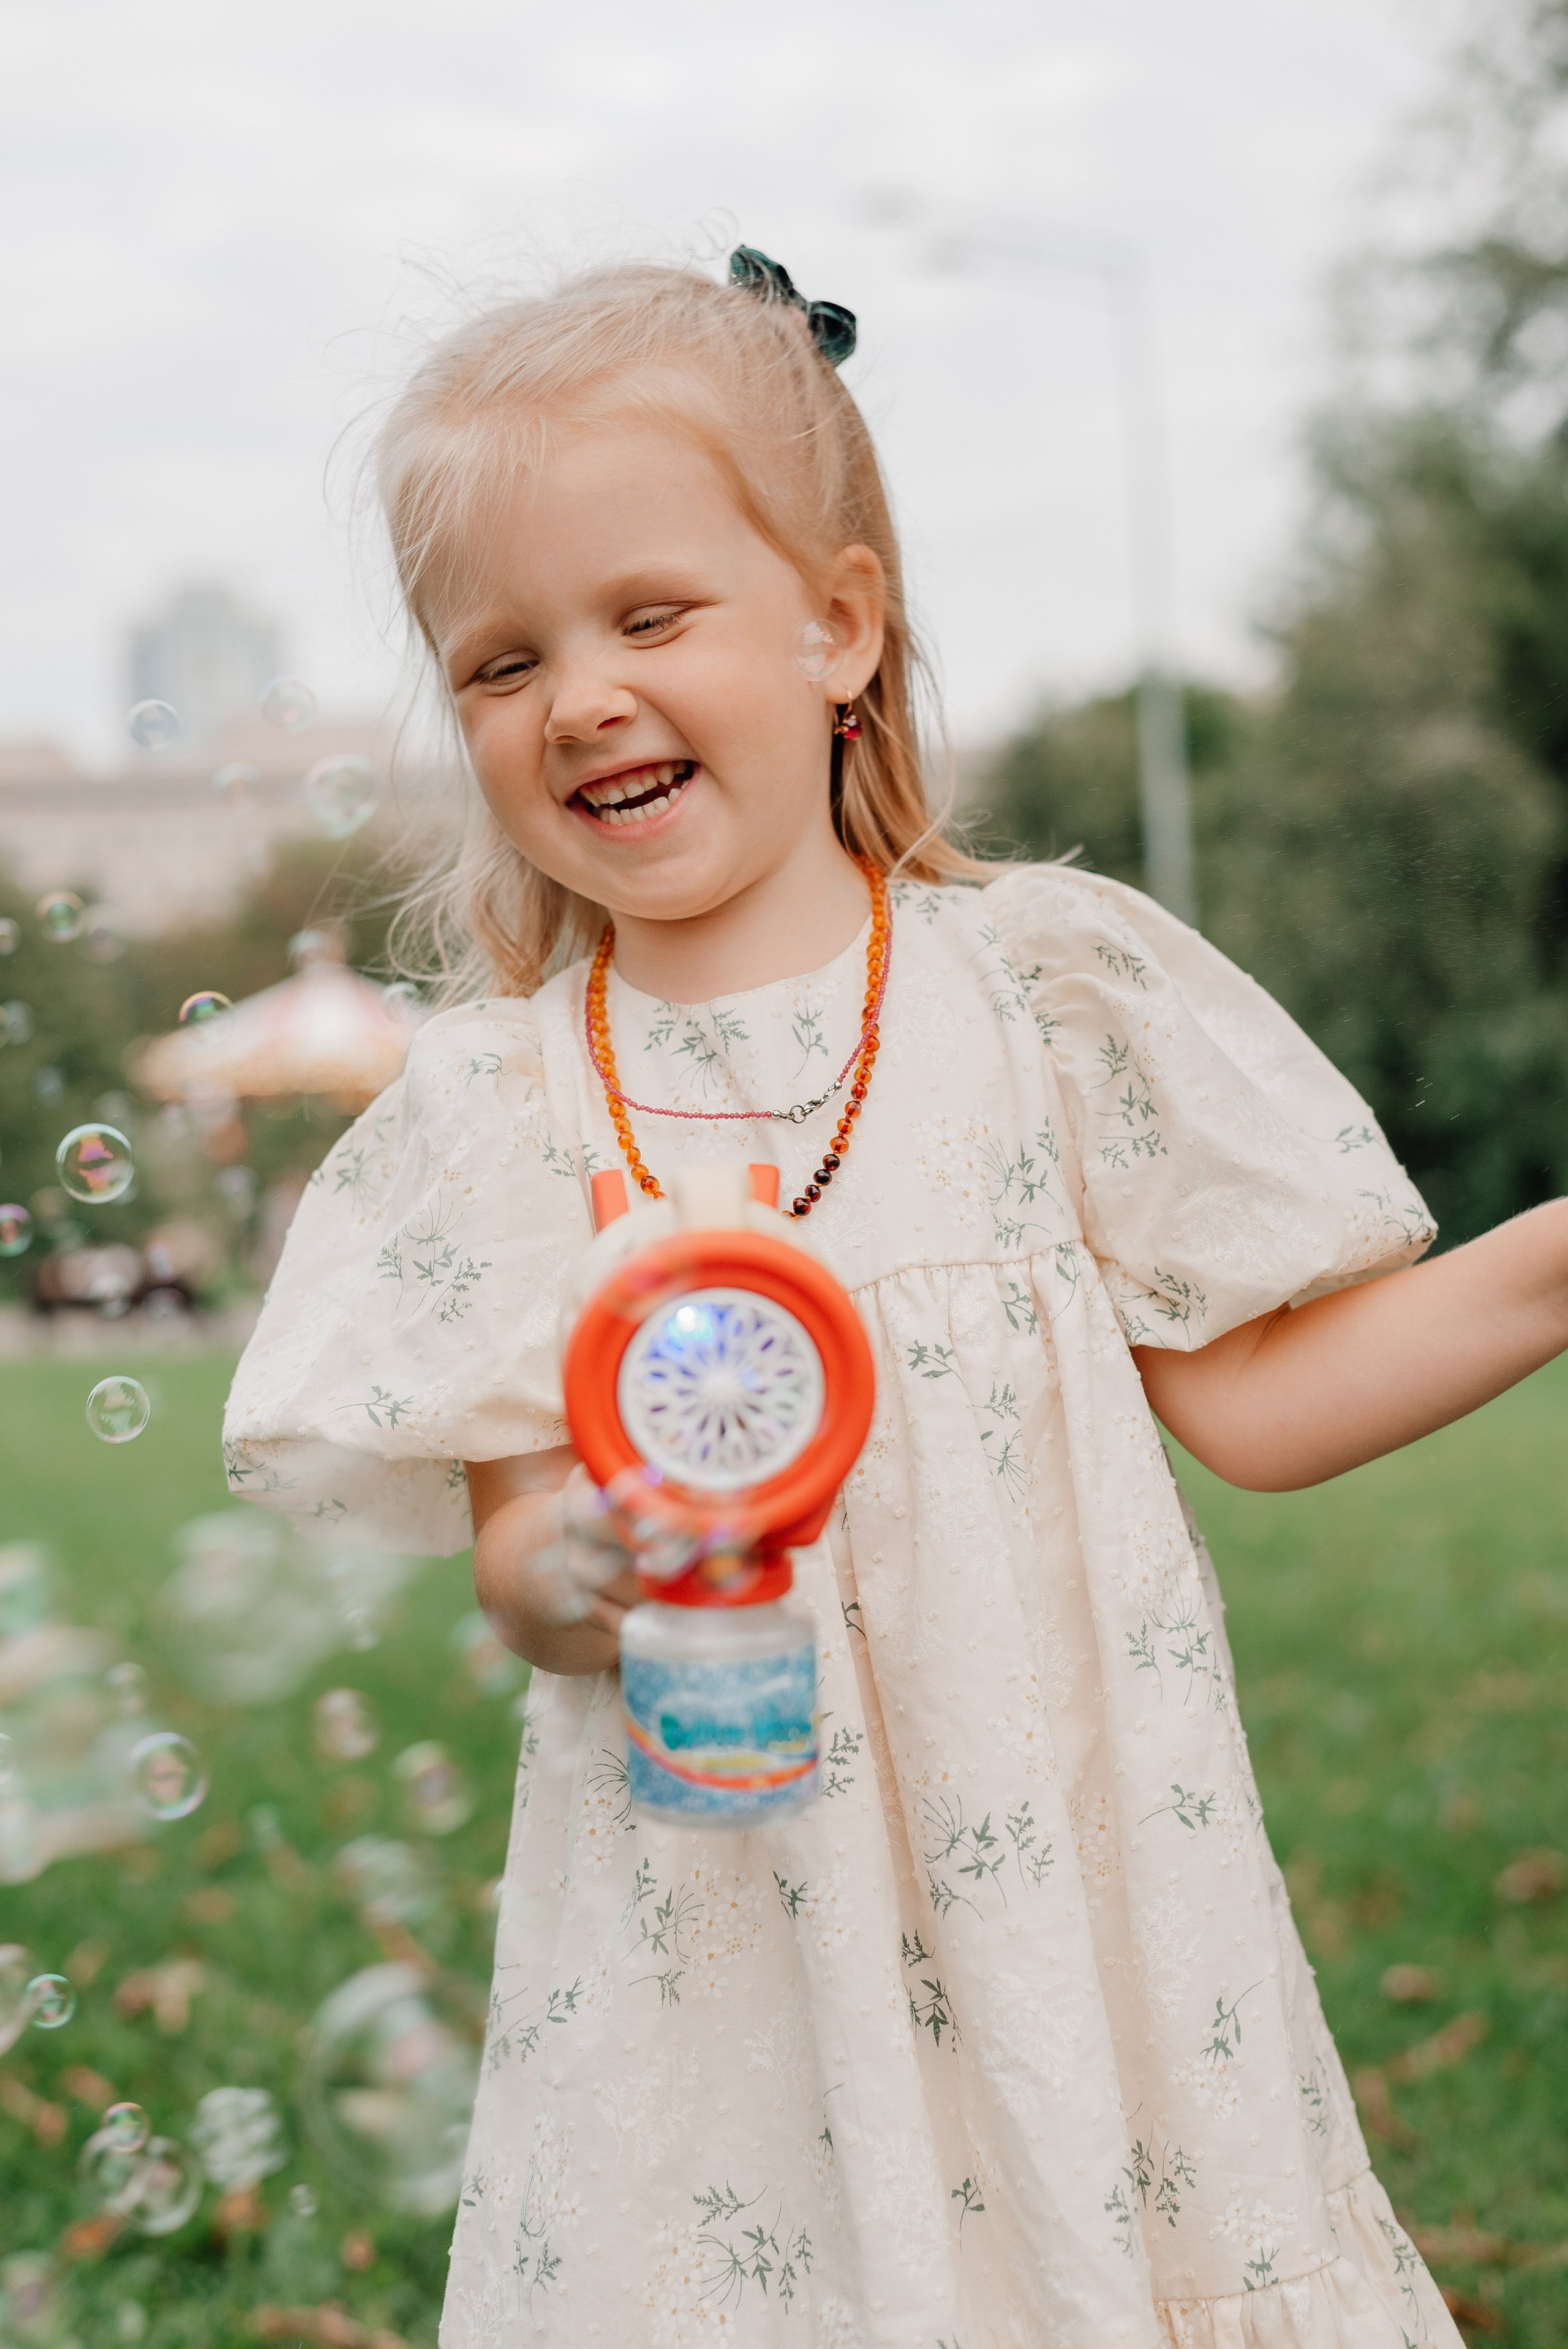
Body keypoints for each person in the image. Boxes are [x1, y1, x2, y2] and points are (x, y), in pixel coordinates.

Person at [225, 251, 1568, 2348]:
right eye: (498, 661)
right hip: (714, 1922)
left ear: (838, 624)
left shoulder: (1034, 991)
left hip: (1074, 1880)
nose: (577, 696)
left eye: (648, 617)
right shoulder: (497, 1105)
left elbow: (1268, 1406)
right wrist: (581, 1558)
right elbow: (520, 1569)